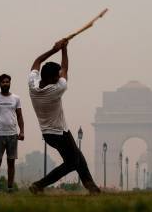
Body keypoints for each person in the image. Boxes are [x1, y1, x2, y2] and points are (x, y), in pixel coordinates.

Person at [27, 38, 100, 194]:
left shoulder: (33, 84)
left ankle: (92, 188)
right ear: (51, 79)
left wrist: (54, 49)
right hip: (59, 133)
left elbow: (38, 60)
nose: (59, 76)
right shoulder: (56, 90)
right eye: (56, 76)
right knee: (73, 162)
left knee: (78, 157)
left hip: (49, 133)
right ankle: (39, 185)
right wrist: (64, 49)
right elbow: (65, 68)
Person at [0, 74, 24, 193]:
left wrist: (22, 131)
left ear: (10, 83)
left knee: (11, 162)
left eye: (7, 82)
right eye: (3, 82)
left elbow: (20, 116)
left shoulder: (16, 98)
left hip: (12, 134)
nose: (5, 84)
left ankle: (10, 188)